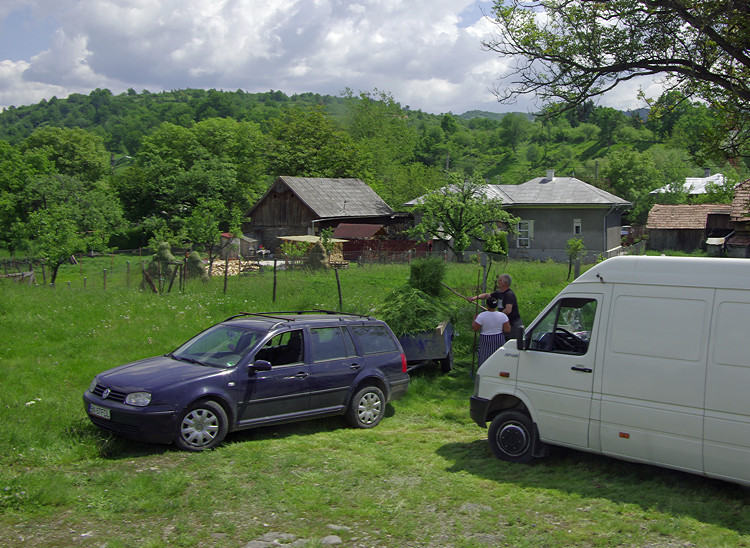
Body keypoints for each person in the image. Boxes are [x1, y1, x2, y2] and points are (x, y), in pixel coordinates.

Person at [468, 273, 523, 340]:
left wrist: (497, 316)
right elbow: (487, 295)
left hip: (513, 324)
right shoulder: (499, 293)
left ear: (505, 283)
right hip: (504, 323)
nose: (498, 282)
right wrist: (474, 298)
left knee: (512, 344)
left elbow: (508, 310)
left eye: (500, 280)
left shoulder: (509, 294)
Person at [472, 297, 510, 366]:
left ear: (487, 305)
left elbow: (475, 328)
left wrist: (475, 319)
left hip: (485, 339)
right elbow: (507, 330)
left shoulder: (481, 316)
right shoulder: (502, 316)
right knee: (499, 356)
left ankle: (484, 370)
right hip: (498, 338)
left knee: (484, 357)